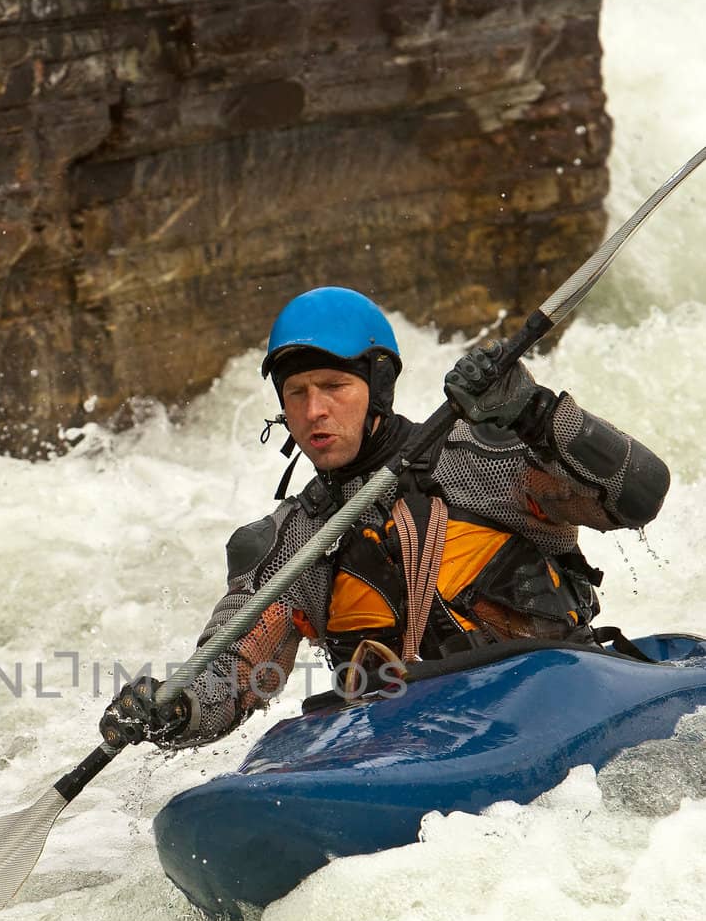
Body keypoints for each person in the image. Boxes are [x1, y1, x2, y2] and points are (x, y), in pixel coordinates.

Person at [100, 286, 671, 750]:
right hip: (409, 742)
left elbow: (640, 494)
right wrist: (177, 707)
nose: (312, 410)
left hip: (555, 700)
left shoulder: (487, 460)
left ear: (378, 387)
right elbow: (239, 673)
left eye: (332, 387)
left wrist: (538, 413)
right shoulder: (292, 543)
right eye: (295, 393)